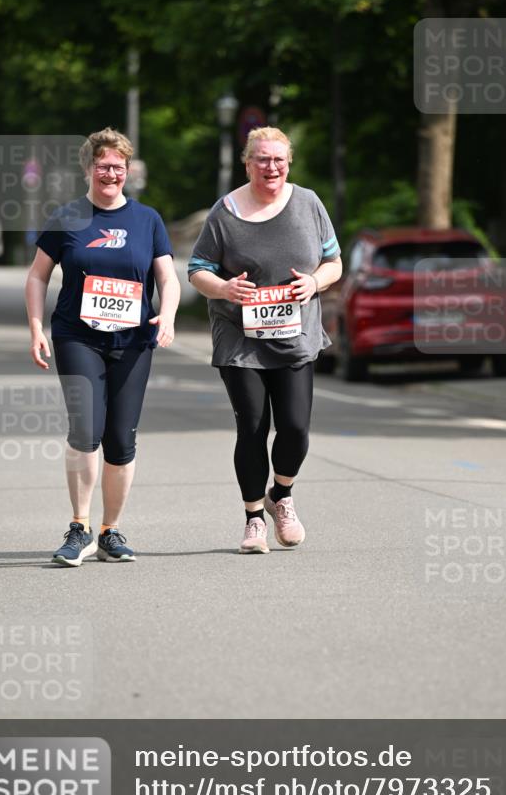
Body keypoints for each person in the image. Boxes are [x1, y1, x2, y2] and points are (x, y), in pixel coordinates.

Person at [25, 127, 181, 566]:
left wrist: (166, 315)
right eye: (103, 165)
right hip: (77, 336)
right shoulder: (67, 216)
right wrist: (36, 327)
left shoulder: (147, 220)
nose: (111, 173)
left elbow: (167, 278)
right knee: (85, 430)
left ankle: (111, 529)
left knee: (120, 439)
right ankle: (79, 526)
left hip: (133, 341)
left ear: (127, 171)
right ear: (89, 169)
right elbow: (38, 276)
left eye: (118, 166)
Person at [188, 126, 342, 554]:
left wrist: (313, 283)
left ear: (288, 162)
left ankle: (282, 494)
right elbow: (197, 269)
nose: (270, 166)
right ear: (247, 162)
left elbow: (334, 262)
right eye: (261, 159)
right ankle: (254, 517)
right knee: (252, 428)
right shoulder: (225, 212)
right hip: (241, 338)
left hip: (296, 336)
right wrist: (223, 289)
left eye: (278, 159)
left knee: (294, 427)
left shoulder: (308, 203)